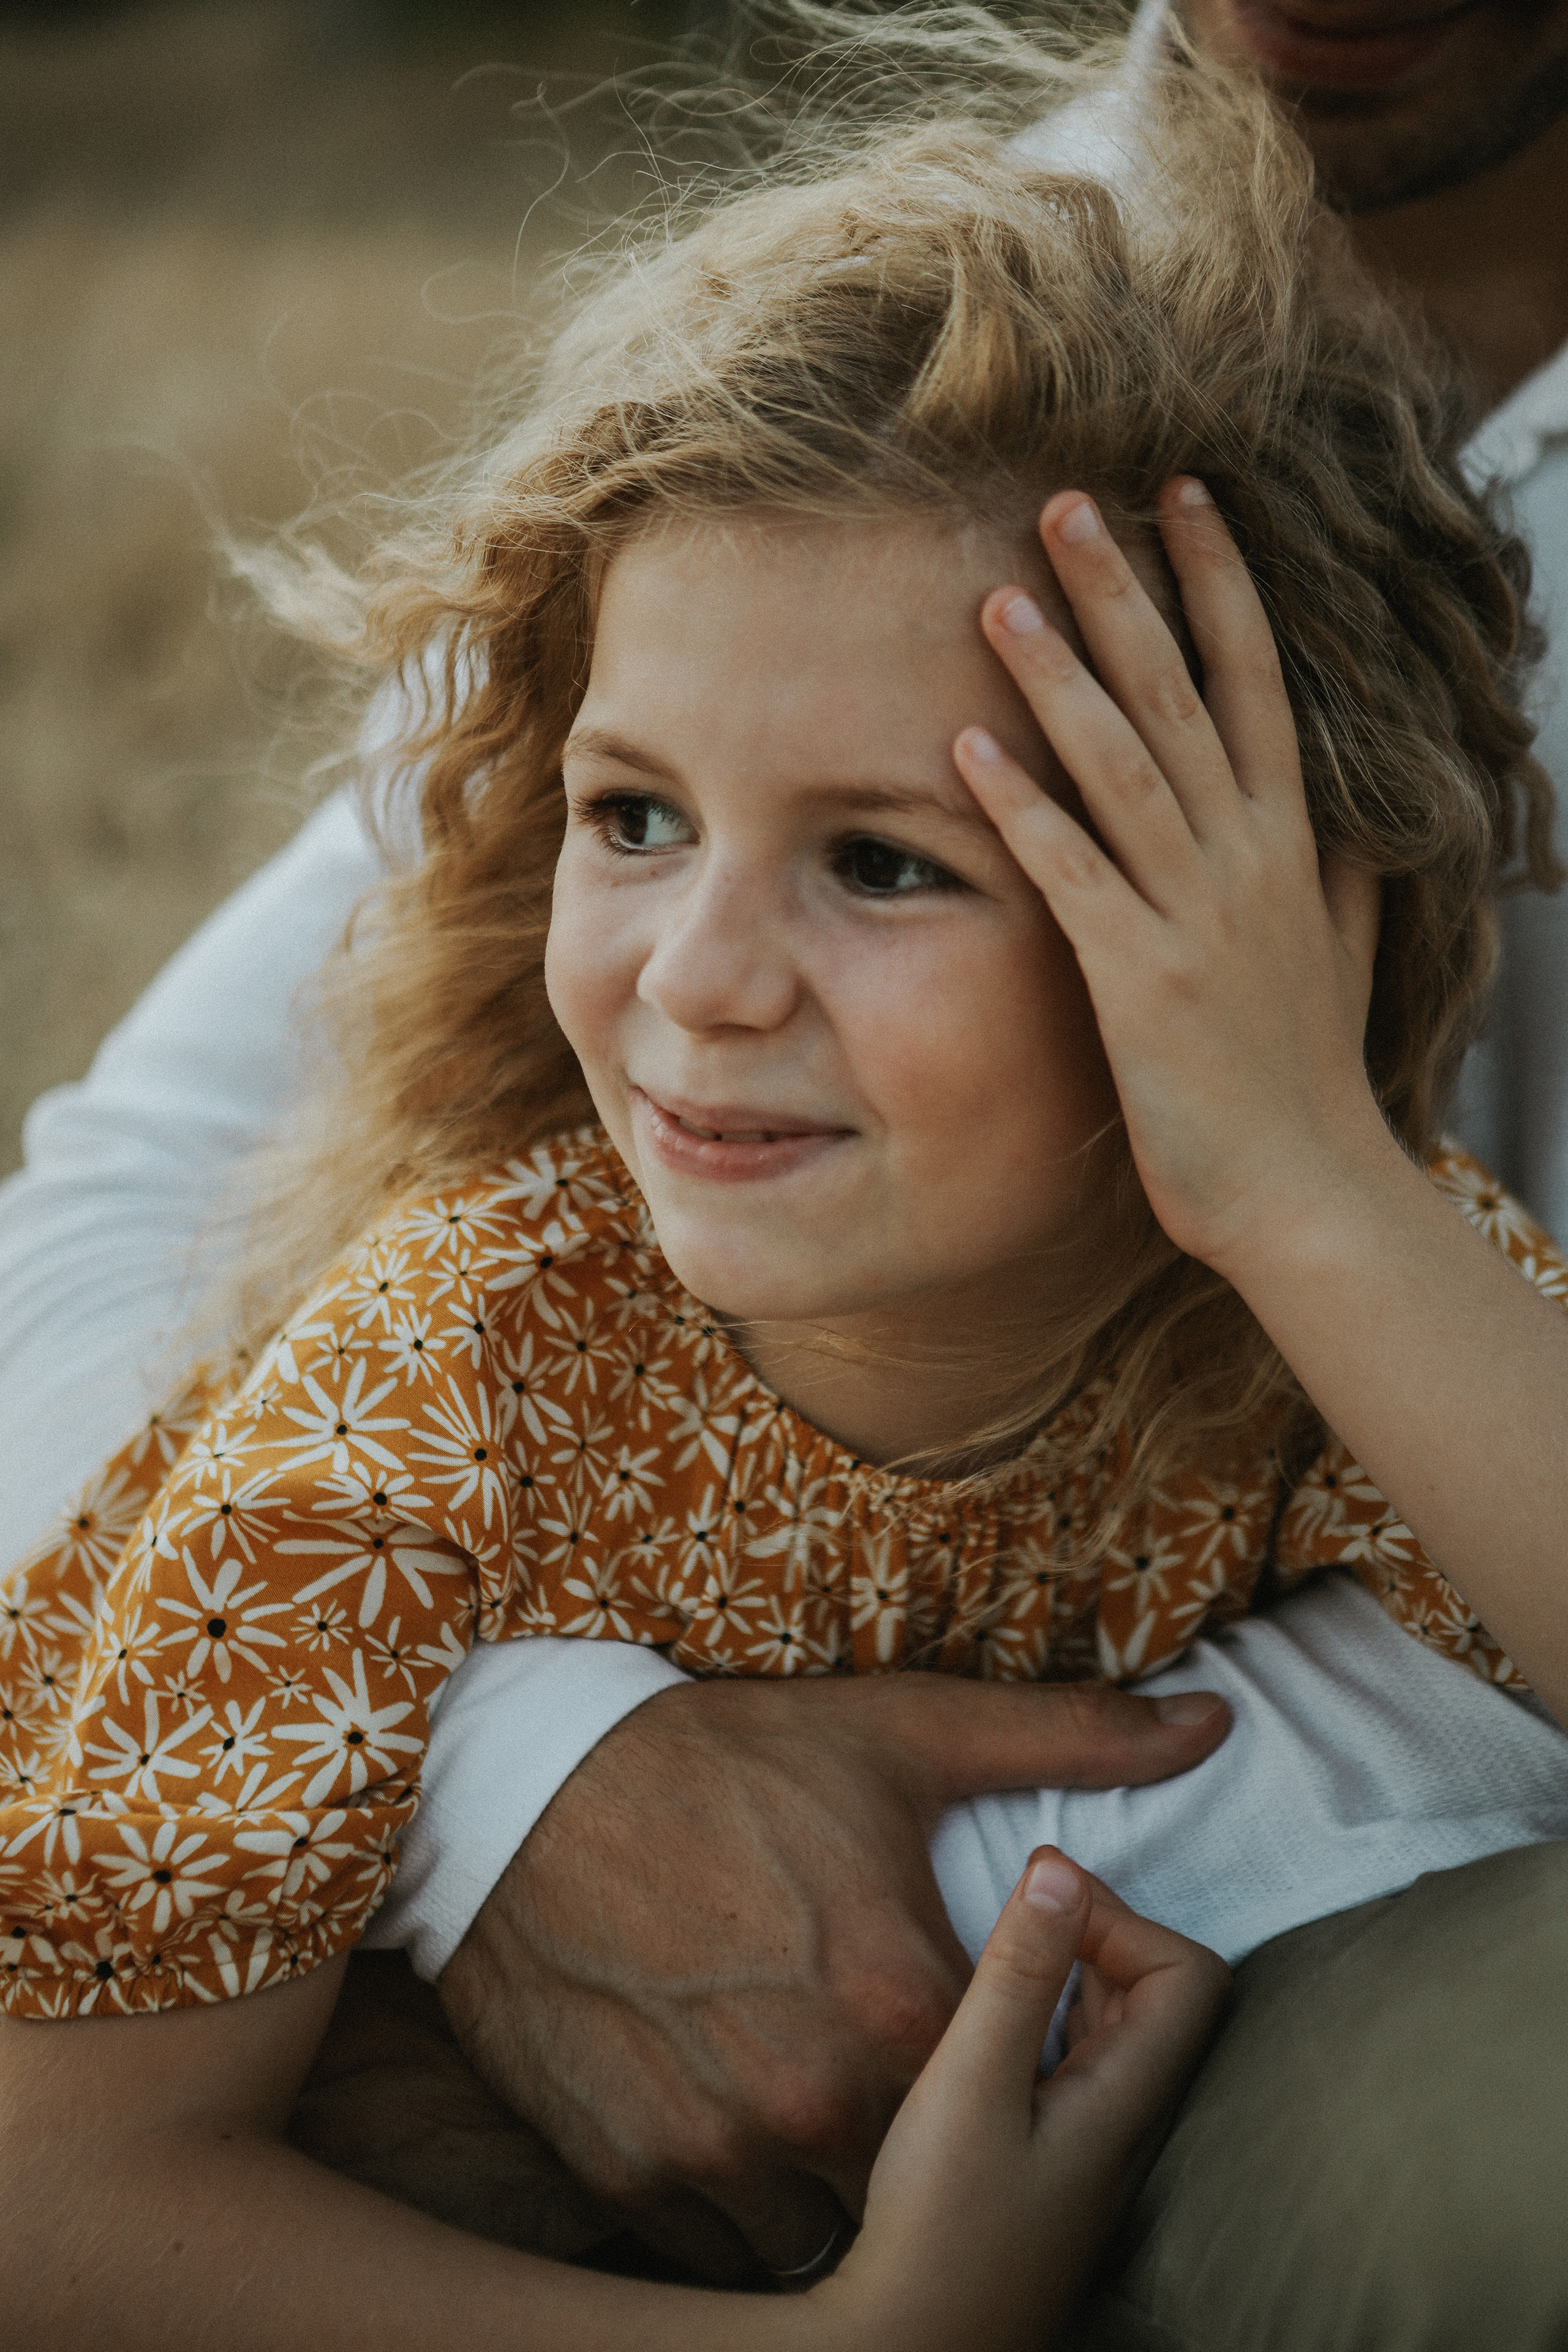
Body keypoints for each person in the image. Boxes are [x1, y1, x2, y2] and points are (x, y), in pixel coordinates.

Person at [5, 33, 1568, 2344]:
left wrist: (1308, 1189)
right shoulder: (433, 1393)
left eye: (877, 859)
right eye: (628, 818)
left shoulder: (1331, 1309)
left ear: (1236, 927)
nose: (701, 981)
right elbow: (56, 2203)